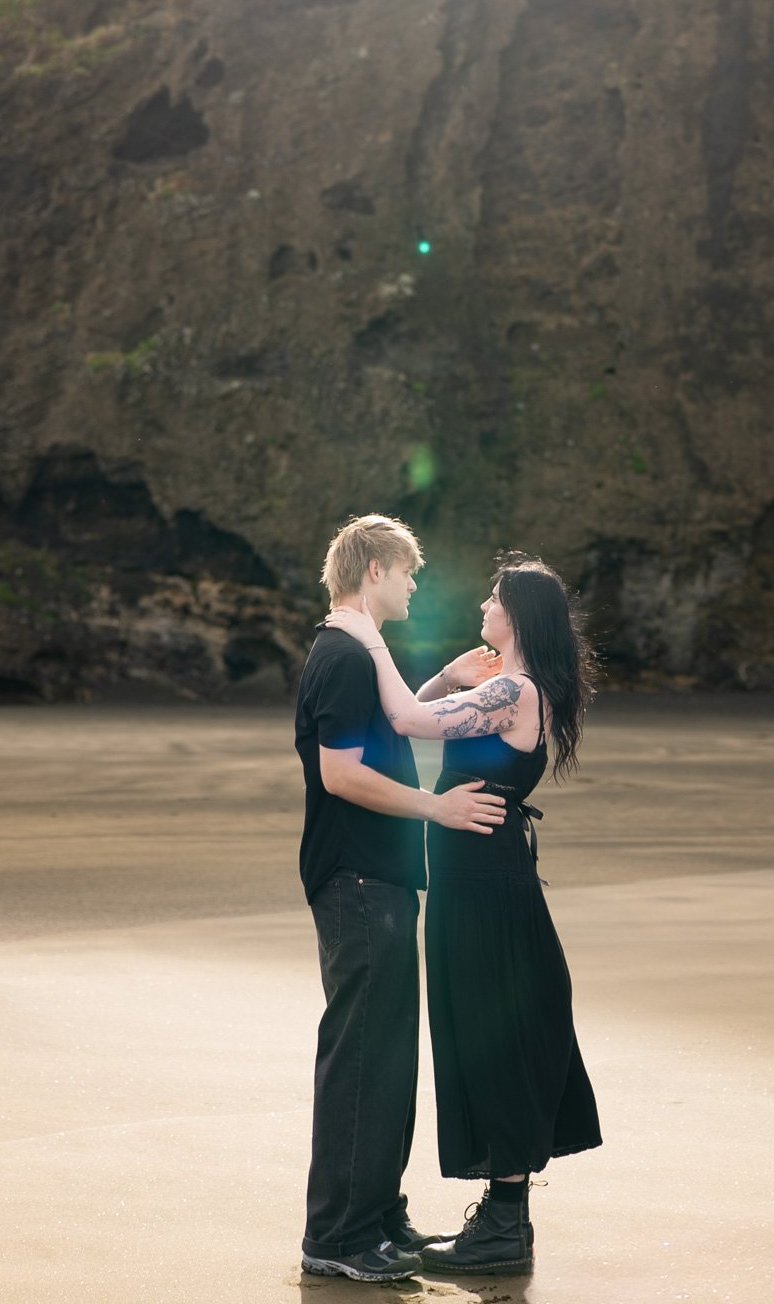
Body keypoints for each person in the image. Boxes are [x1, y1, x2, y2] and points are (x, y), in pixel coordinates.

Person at [329, 554, 602, 1277]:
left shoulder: (514, 689)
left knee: (492, 1033)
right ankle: (502, 1223)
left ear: (515, 616)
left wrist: (367, 639)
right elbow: (421, 722)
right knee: (478, 1029)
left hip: (486, 884)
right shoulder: (505, 685)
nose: (483, 604)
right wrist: (451, 677)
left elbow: (405, 717)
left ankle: (504, 1229)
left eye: (494, 597)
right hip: (475, 877)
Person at [293, 513, 508, 1284]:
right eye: (408, 572)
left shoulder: (357, 650)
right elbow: (341, 774)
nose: (415, 585)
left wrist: (445, 684)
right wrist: (439, 810)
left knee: (386, 1054)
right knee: (361, 1057)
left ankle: (376, 1215)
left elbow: (391, 725)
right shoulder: (344, 654)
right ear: (374, 570)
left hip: (374, 877)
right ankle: (339, 1237)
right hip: (356, 878)